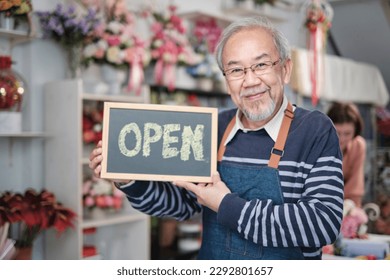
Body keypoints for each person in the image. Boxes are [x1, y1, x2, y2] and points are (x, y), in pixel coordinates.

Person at [89, 16, 344, 260]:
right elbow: (181, 204)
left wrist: (226, 205)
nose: (250, 80)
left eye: (262, 65)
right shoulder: (214, 126)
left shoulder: (315, 130)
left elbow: (322, 224)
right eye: (236, 70)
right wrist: (129, 180)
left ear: (285, 69)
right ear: (226, 80)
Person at [327, 102, 366, 207]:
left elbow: (355, 186)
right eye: (337, 133)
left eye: (348, 133)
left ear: (355, 132)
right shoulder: (318, 144)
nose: (342, 139)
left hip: (346, 204)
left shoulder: (358, 145)